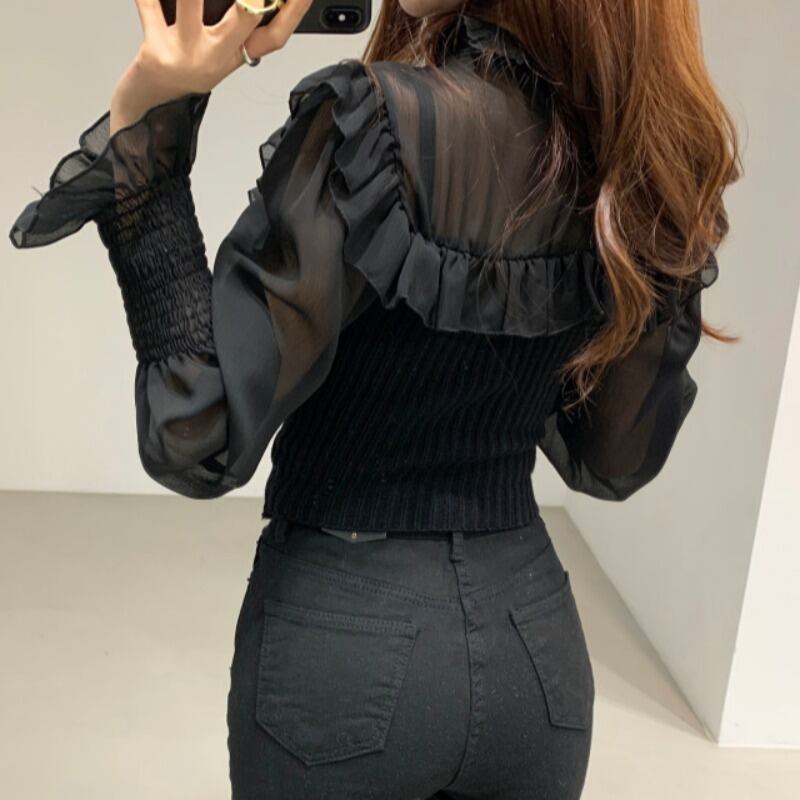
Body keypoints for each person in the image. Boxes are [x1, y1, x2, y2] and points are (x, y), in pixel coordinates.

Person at [8, 0, 740, 797]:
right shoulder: (640, 151)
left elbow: (195, 432)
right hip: (535, 655)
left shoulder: (372, 126)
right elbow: (614, 455)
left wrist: (148, 121)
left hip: (343, 655)